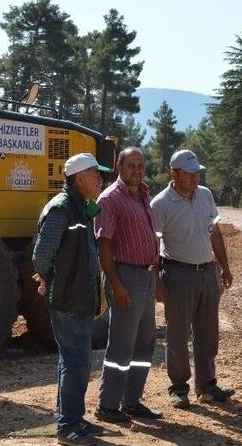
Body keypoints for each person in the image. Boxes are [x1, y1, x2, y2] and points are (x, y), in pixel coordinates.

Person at [32, 152, 111, 446]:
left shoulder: (81, 209)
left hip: (78, 297)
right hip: (68, 300)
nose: (100, 179)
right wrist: (50, 280)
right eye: (95, 174)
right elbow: (42, 256)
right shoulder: (62, 209)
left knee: (73, 360)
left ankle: (72, 418)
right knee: (77, 362)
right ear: (79, 178)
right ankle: (68, 427)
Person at [151, 149, 234, 410]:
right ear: (174, 174)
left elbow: (214, 232)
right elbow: (153, 244)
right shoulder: (160, 203)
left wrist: (225, 266)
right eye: (190, 173)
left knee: (208, 331)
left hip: (207, 271)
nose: (196, 177)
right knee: (177, 333)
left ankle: (207, 385)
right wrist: (157, 279)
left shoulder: (206, 195)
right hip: (177, 273)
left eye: (197, 172)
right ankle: (178, 386)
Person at [93, 147, 162, 424]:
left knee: (145, 342)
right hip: (125, 278)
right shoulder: (110, 199)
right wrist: (116, 284)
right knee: (121, 344)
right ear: (119, 168)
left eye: (141, 165)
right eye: (131, 165)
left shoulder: (143, 195)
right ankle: (108, 405)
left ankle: (132, 400)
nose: (137, 170)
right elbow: (104, 244)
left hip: (145, 277)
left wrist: (155, 277)